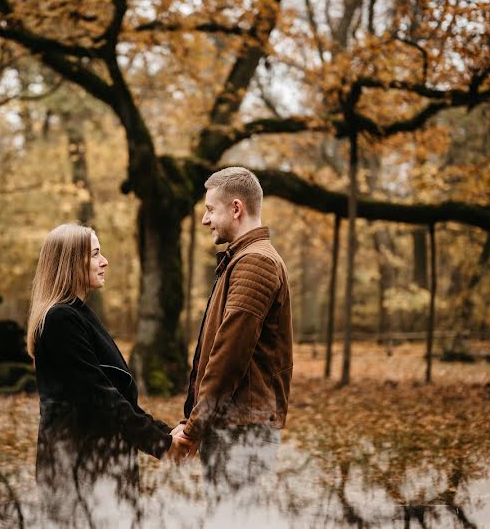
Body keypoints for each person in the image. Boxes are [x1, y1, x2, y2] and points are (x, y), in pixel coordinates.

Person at [27, 223, 190, 527]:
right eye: (96, 254)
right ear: (71, 262)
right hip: (78, 475)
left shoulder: (79, 315)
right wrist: (162, 445)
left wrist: (166, 434)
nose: (105, 262)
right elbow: (99, 399)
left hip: (97, 471)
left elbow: (115, 394)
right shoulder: (62, 320)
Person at [173, 167, 293, 496]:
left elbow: (228, 356)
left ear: (236, 208)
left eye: (210, 210)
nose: (204, 219)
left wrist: (194, 428)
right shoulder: (242, 259)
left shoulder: (256, 263)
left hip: (242, 431)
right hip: (234, 426)